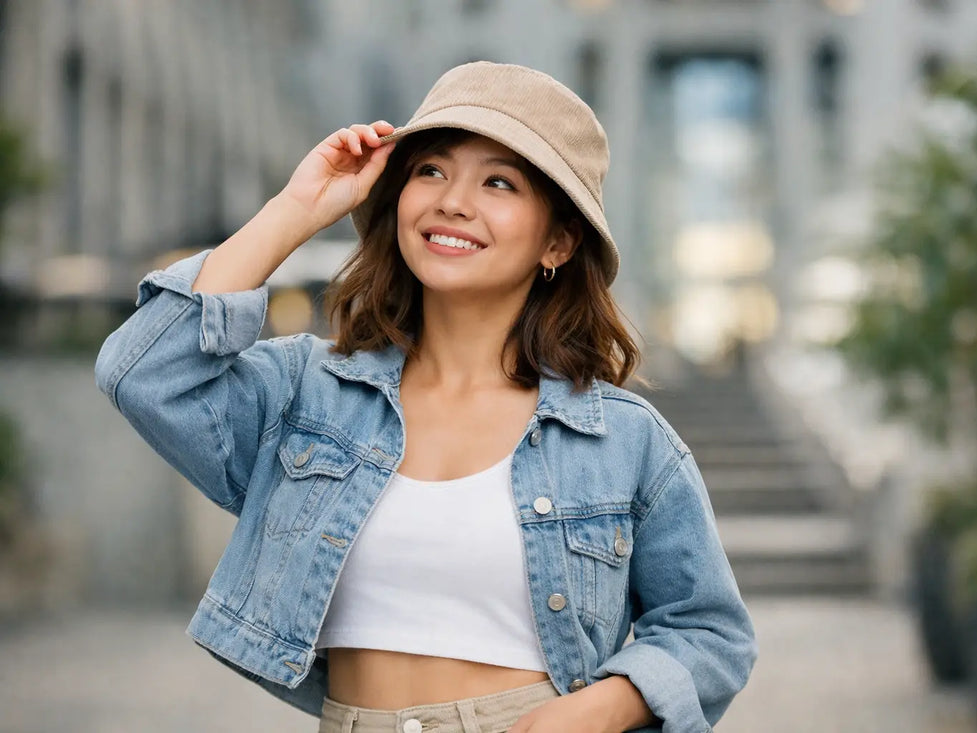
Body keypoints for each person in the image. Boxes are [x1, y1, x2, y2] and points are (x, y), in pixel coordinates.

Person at [94, 61, 756, 733]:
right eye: (430, 170)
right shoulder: (306, 394)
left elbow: (710, 632)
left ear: (556, 240)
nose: (452, 201)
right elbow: (143, 372)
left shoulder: (623, 439)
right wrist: (297, 210)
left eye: (499, 181)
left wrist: (598, 707)